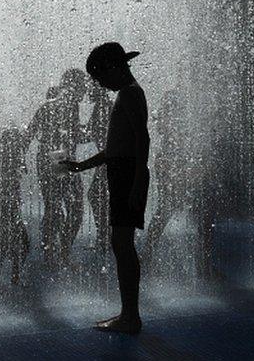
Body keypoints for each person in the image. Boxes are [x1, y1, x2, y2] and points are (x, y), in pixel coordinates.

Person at [62, 42, 149, 335]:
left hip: (128, 175)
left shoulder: (130, 93)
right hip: (123, 172)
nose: (99, 85)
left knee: (123, 244)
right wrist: (80, 166)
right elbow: (115, 149)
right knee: (120, 243)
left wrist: (138, 181)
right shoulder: (126, 94)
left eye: (100, 78)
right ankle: (128, 313)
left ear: (114, 68)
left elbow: (142, 140)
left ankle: (130, 317)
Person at [26, 69, 86, 267]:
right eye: (82, 85)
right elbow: (74, 136)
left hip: (51, 158)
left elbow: (29, 133)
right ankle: (60, 252)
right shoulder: (67, 105)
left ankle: (52, 251)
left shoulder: (51, 106)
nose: (85, 89)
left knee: (56, 208)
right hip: (58, 159)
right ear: (73, 86)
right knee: (73, 209)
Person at [0, 127, 30, 288]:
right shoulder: (6, 165)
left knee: (2, 248)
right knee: (17, 245)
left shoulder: (6, 164)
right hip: (2, 213)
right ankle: (9, 278)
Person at [141, 92, 186, 266]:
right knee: (166, 207)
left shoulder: (169, 117)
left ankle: (149, 250)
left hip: (170, 161)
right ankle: (148, 251)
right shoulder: (169, 118)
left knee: (166, 207)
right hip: (169, 162)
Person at [86, 82, 112, 253]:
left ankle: (106, 237)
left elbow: (91, 132)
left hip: (109, 160)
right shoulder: (102, 105)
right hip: (108, 160)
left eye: (91, 88)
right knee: (100, 196)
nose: (88, 92)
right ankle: (106, 236)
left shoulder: (103, 107)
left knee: (96, 196)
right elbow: (91, 131)